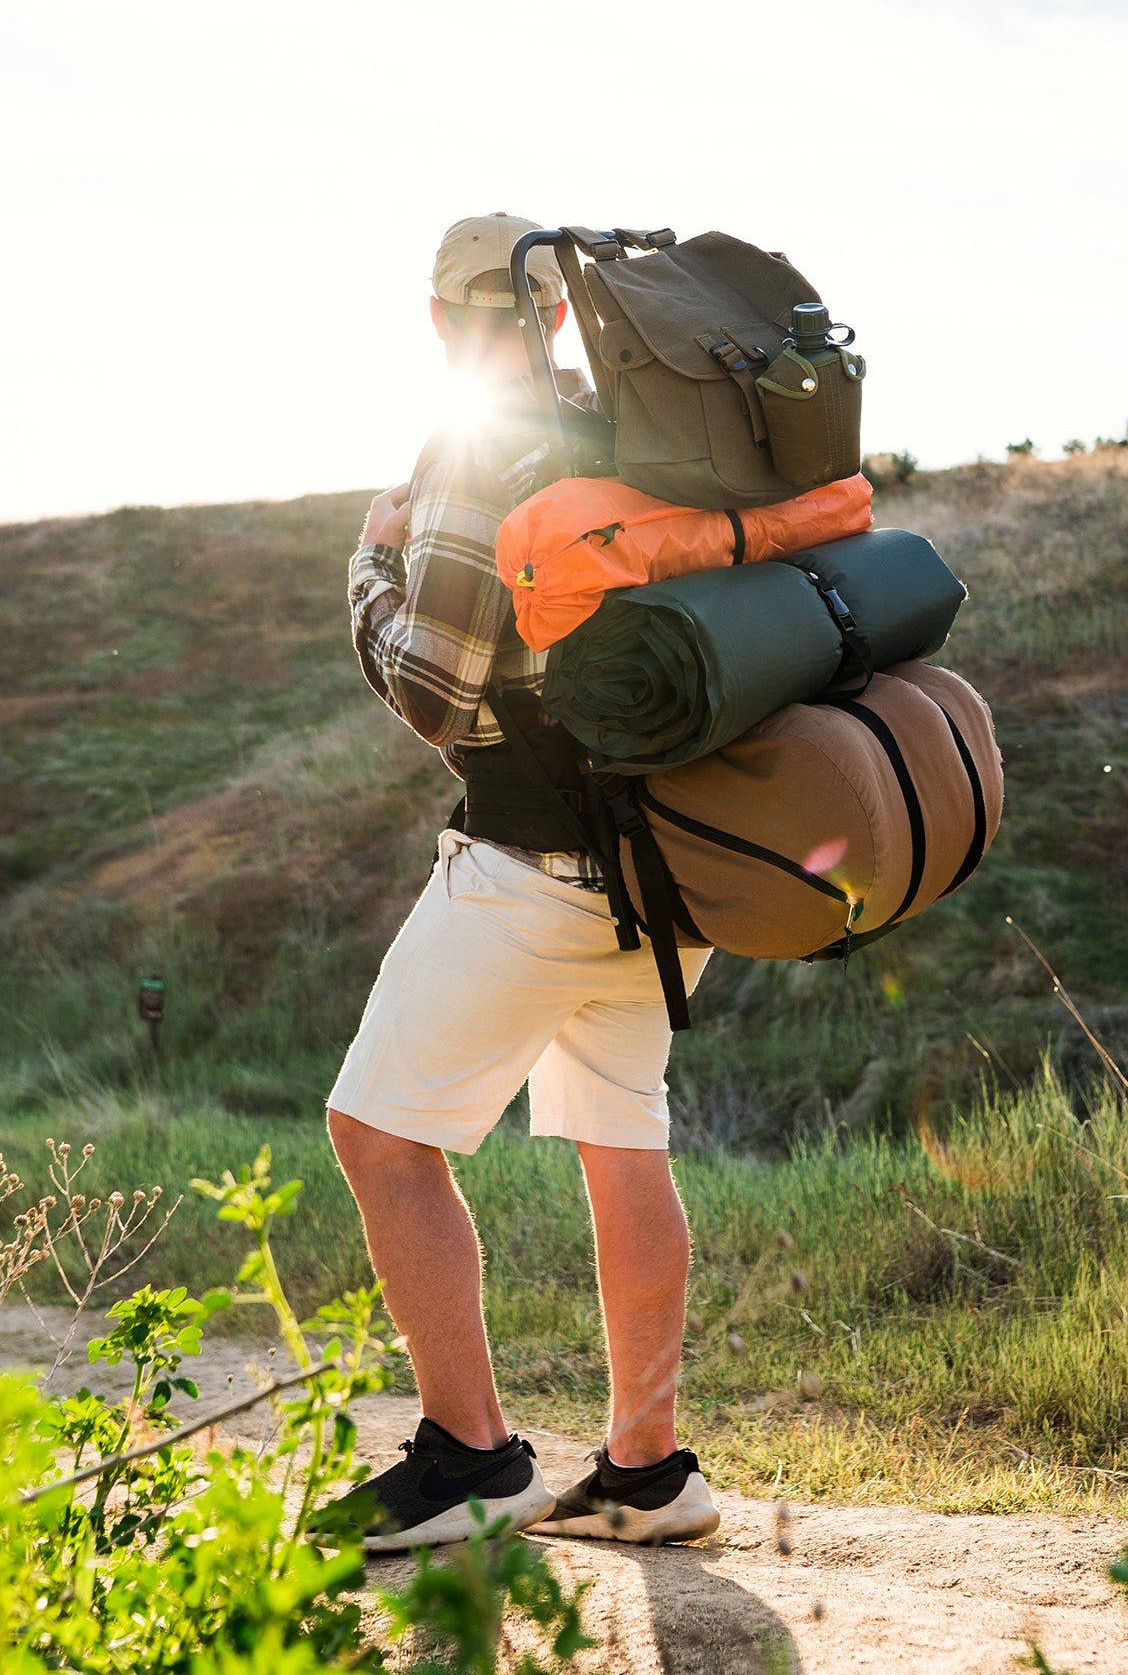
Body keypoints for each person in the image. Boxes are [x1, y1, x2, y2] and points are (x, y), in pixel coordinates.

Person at [321, 213, 720, 1552]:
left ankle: (472, 1458)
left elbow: (434, 690)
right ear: (556, 317)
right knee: (623, 1142)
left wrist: (373, 565)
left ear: (441, 324)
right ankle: (649, 1473)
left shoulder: (475, 451)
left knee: (380, 1137)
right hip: (670, 874)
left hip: (533, 872)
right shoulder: (645, 436)